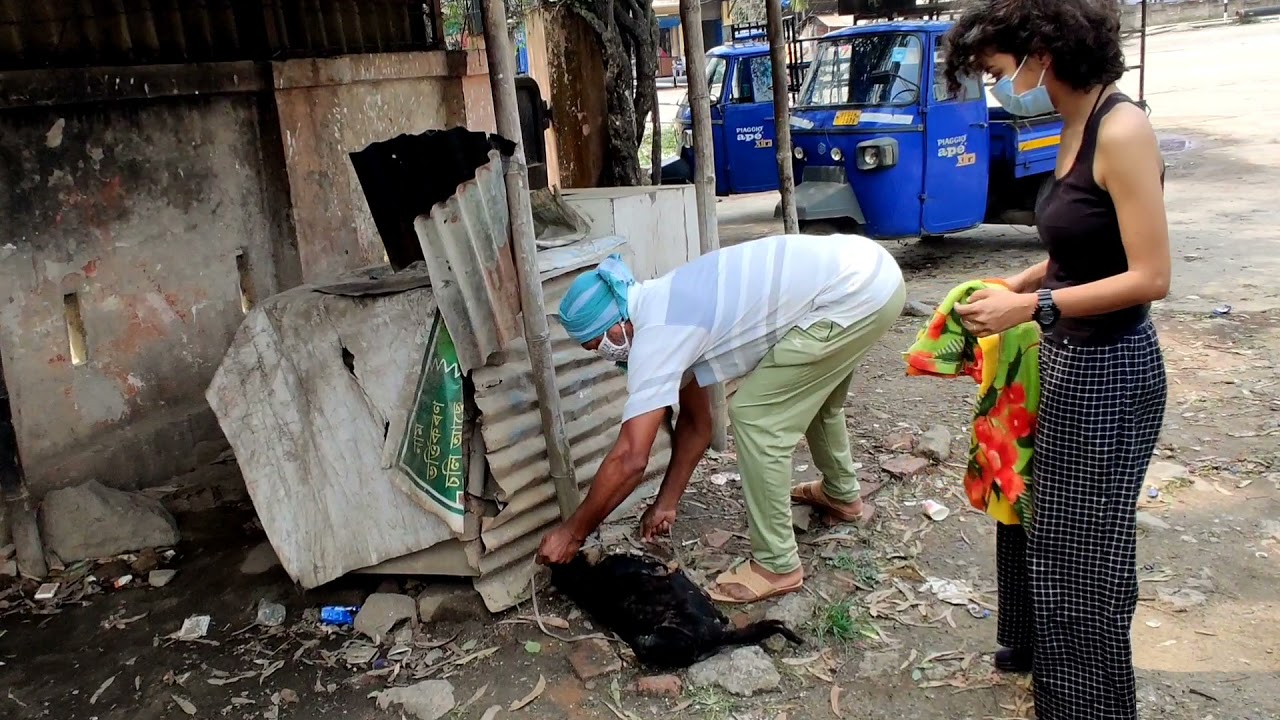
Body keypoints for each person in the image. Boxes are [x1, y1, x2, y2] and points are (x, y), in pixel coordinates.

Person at [942, 1, 1170, 718]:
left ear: (1042, 51)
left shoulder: (1122, 127)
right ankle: (1064, 698)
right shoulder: (1070, 123)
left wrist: (1031, 310)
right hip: (1068, 364)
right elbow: (1083, 243)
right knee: (1052, 544)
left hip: (1112, 371)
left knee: (1085, 564)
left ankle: (1095, 708)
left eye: (997, 71)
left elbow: (1151, 276)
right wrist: (1022, 280)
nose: (997, 87)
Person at [534, 234, 905, 604]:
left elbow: (631, 457)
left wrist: (573, 533)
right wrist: (666, 502)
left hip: (853, 295)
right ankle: (842, 496)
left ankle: (777, 565)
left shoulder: (657, 335)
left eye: (596, 343)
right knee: (814, 399)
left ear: (615, 324)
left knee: (756, 416)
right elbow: (697, 423)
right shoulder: (663, 301)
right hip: (872, 275)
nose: (602, 353)